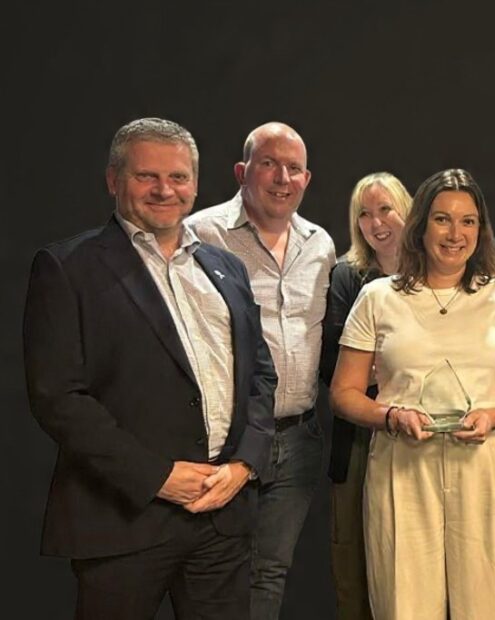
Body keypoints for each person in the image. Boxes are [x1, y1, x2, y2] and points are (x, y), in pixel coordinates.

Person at [22, 117, 276, 619]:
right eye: (147, 177)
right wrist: (156, 476)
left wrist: (245, 464)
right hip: (122, 519)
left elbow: (260, 377)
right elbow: (58, 397)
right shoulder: (67, 268)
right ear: (114, 181)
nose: (165, 190)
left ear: (196, 184)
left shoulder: (226, 269)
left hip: (222, 517)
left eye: (179, 177)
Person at [330, 168, 495, 619]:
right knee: (403, 607)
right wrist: (391, 416)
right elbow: (344, 393)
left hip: (486, 469)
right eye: (442, 220)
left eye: (468, 221)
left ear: (481, 229)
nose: (456, 233)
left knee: (487, 608)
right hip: (403, 470)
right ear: (421, 226)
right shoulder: (378, 297)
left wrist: (494, 416)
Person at [186, 121, 335, 618]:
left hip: (298, 439)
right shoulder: (200, 234)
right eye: (269, 163)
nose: (282, 178)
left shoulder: (320, 245)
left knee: (271, 570)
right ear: (242, 171)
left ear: (307, 179)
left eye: (294, 168)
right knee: (217, 571)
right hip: (229, 437)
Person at [320, 172, 413, 619]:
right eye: (364, 213)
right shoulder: (346, 276)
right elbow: (331, 367)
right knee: (354, 556)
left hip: (421, 436)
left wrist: (380, 364)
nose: (375, 223)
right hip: (357, 436)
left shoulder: (438, 271)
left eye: (385, 209)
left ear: (408, 212)